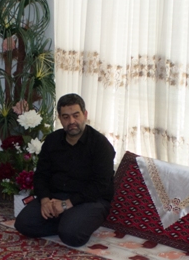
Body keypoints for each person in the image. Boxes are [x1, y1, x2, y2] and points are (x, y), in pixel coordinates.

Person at [15, 93, 115, 247]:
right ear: (60, 118)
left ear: (85, 115)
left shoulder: (100, 145)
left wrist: (67, 204)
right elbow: (41, 175)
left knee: (71, 236)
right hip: (56, 196)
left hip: (89, 200)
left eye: (76, 115)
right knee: (23, 224)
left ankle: (69, 223)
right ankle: (67, 221)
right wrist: (45, 200)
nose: (72, 121)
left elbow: (100, 186)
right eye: (66, 117)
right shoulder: (52, 140)